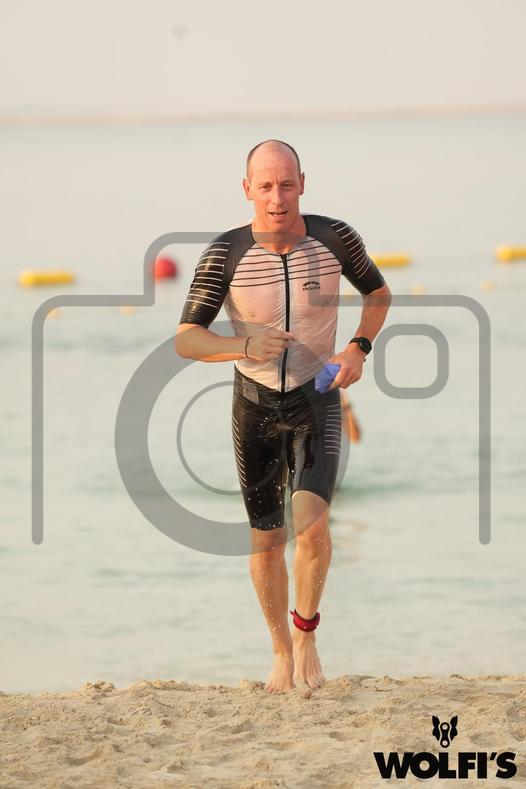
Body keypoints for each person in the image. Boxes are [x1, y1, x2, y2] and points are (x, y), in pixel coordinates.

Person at [176, 140, 391, 694]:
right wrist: (244, 346)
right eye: (266, 186)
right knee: (266, 539)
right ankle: (279, 651)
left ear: (303, 184)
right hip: (254, 404)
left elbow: (378, 293)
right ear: (247, 189)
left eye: (287, 184)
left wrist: (358, 348)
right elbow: (187, 339)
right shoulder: (225, 253)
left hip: (316, 396)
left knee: (314, 530)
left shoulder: (335, 238)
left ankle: (306, 635)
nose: (277, 197)